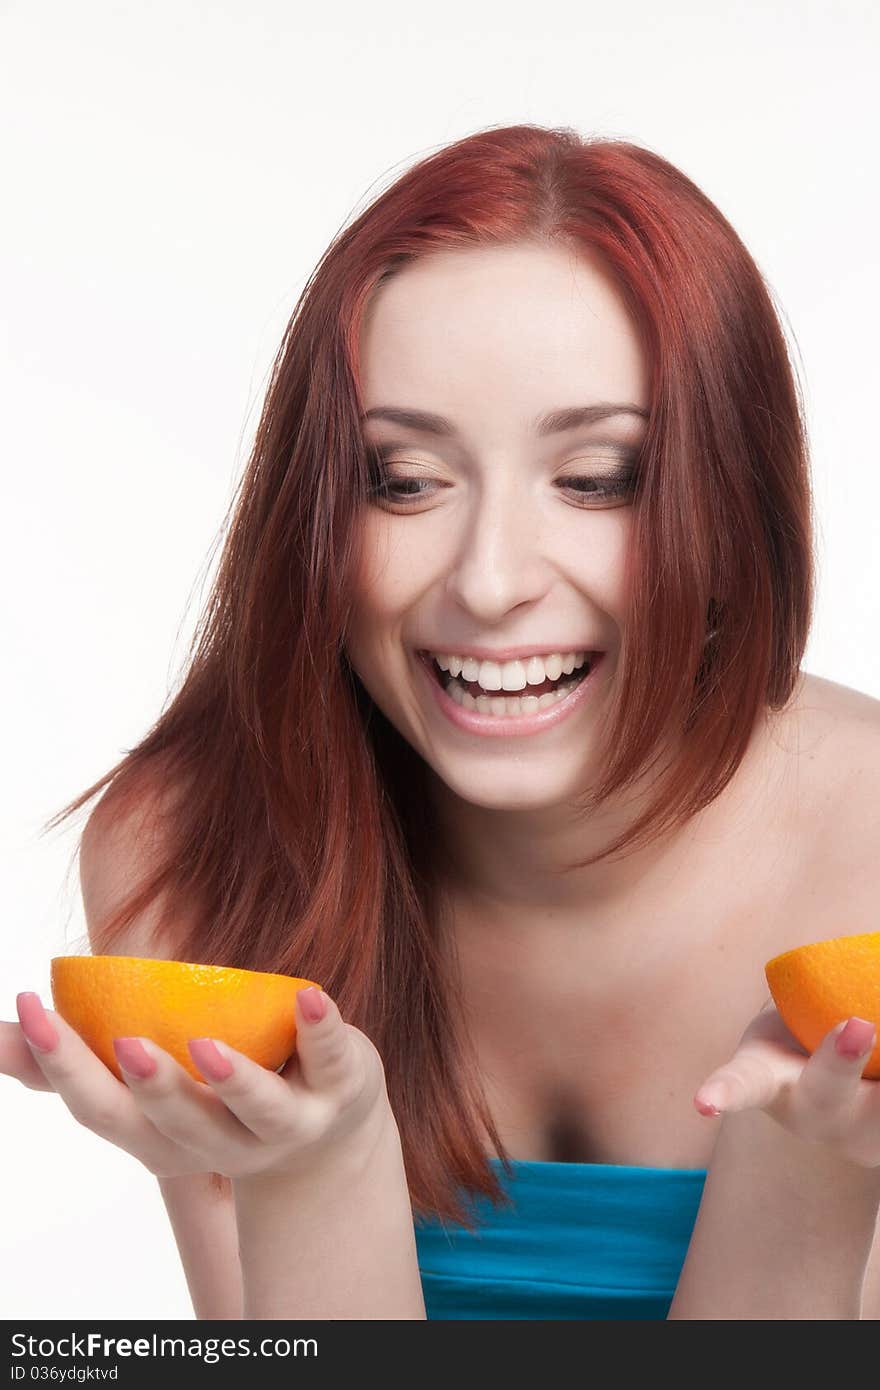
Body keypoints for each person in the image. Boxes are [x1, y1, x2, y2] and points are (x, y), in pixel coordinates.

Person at [4, 123, 880, 1321]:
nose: (487, 579)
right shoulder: (196, 846)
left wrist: (808, 1174)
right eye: (404, 481)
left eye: (599, 479)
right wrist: (317, 1175)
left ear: (732, 507)